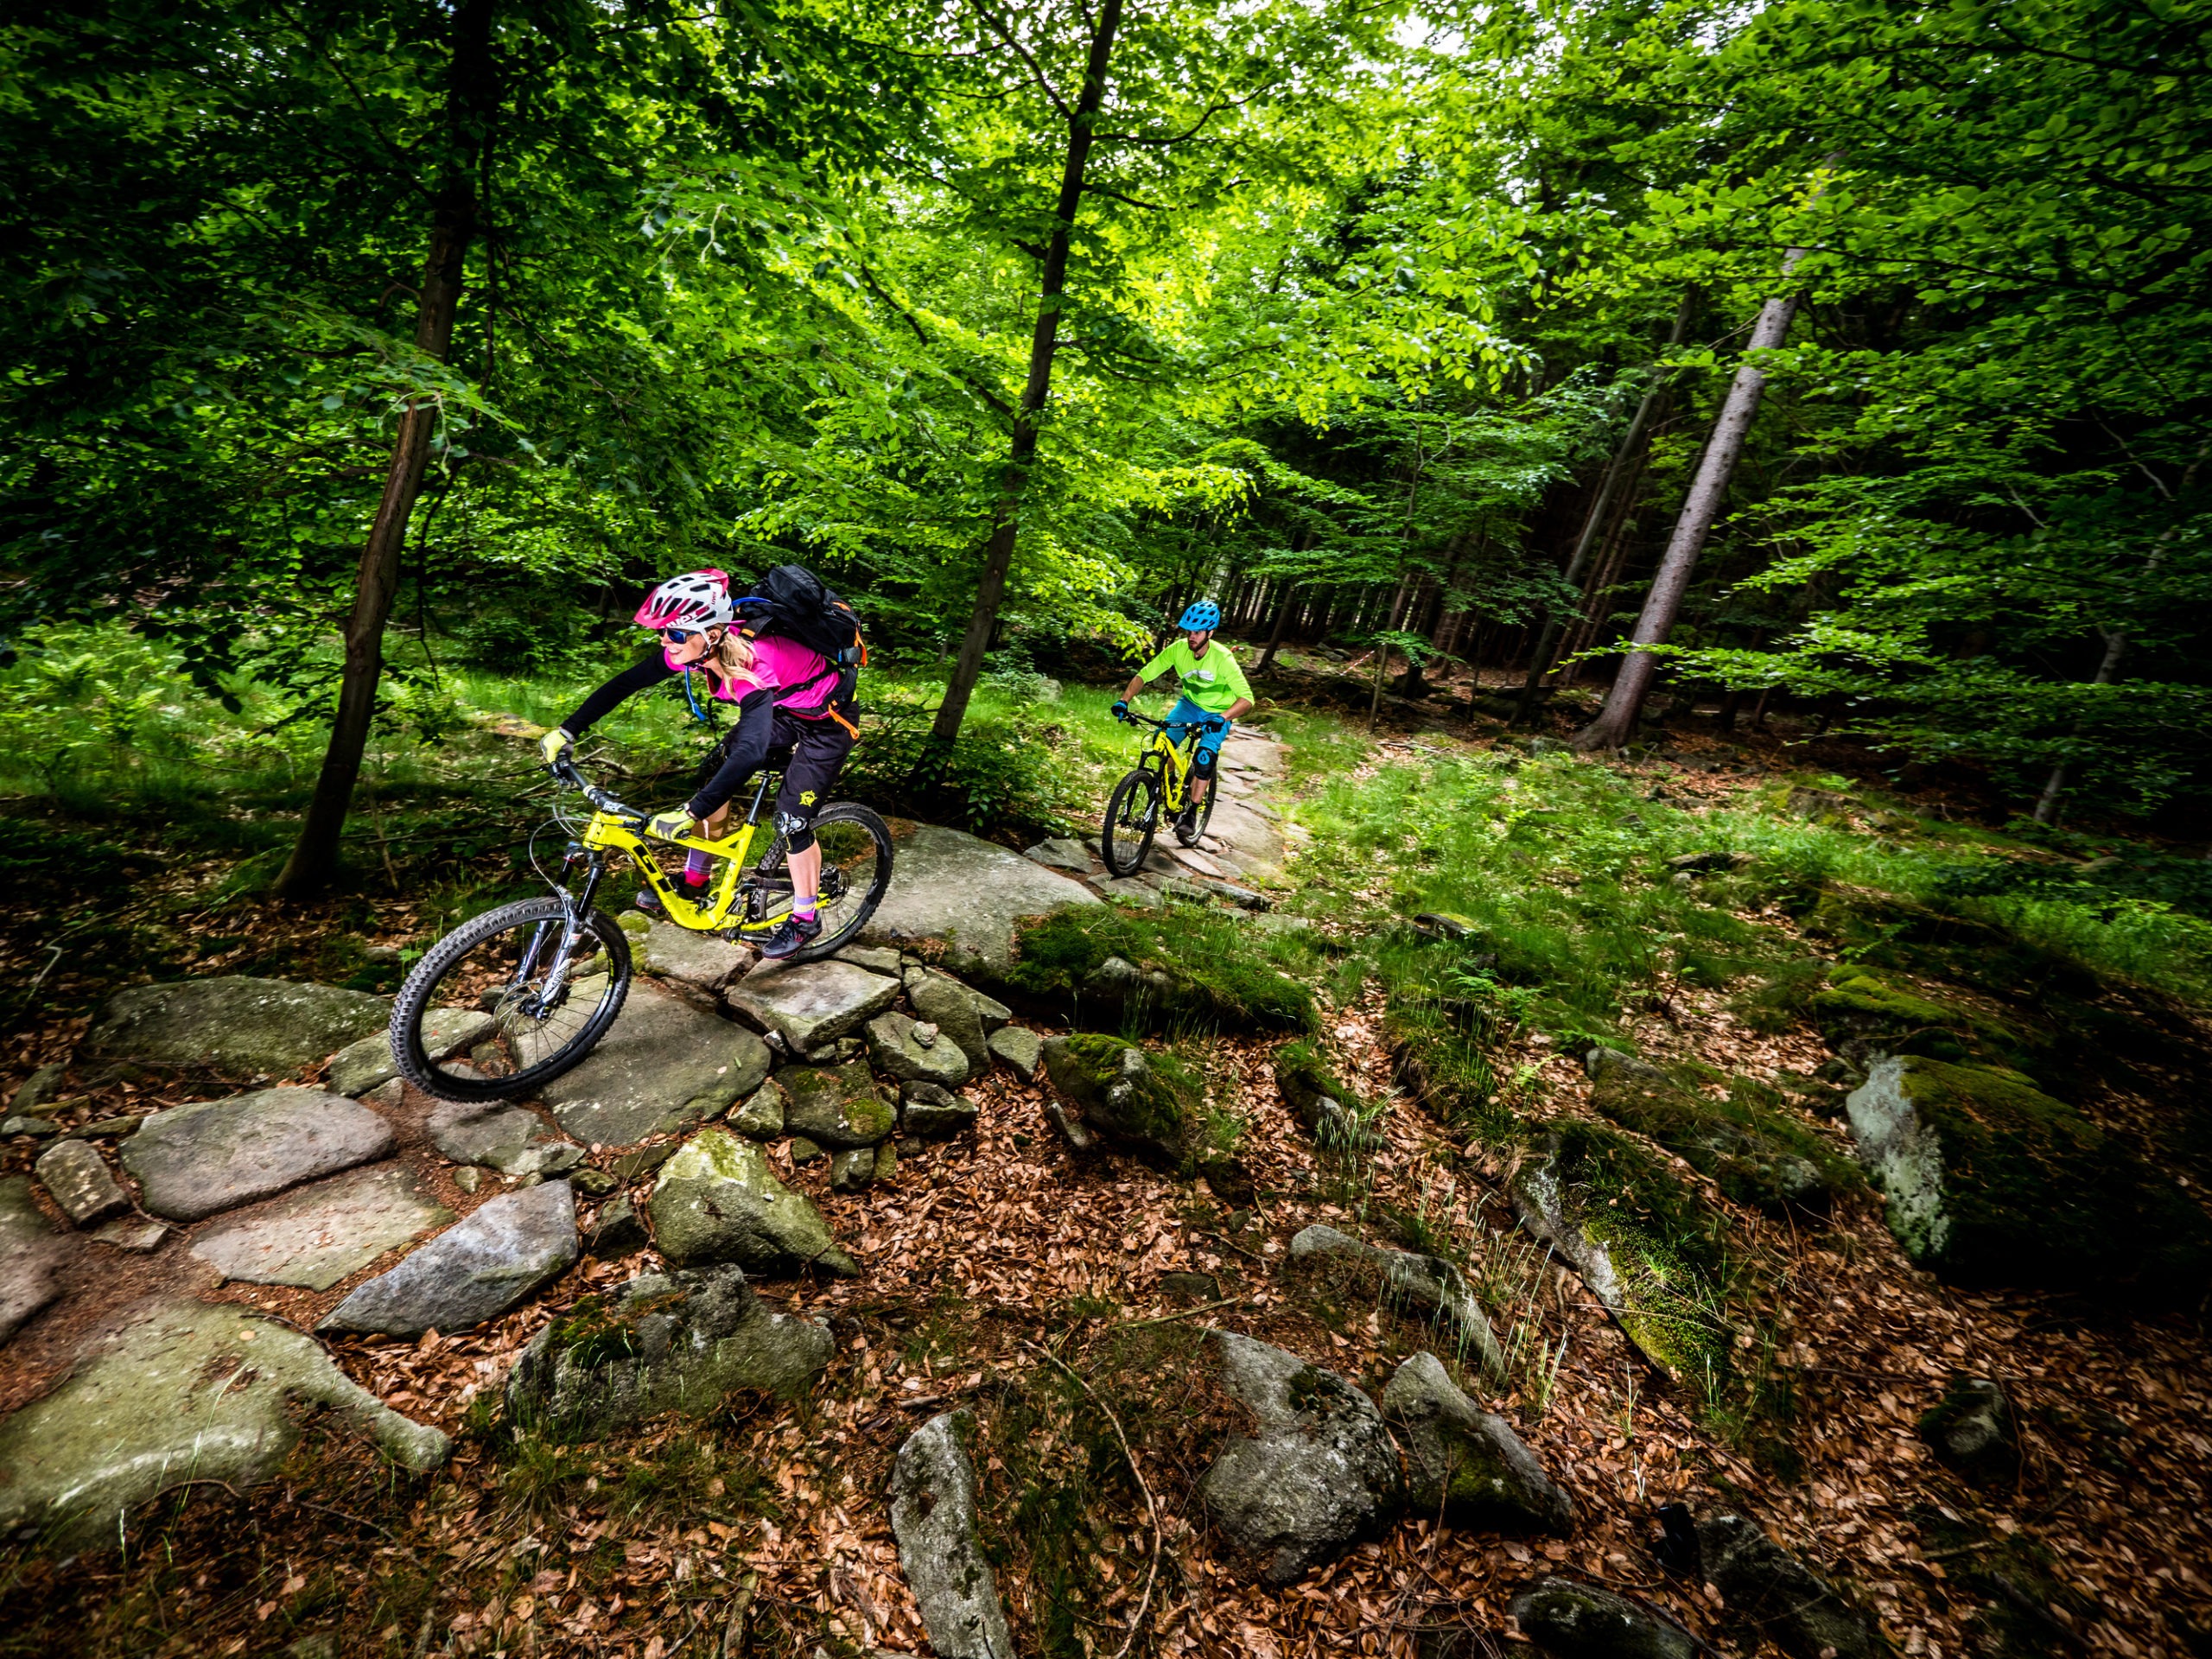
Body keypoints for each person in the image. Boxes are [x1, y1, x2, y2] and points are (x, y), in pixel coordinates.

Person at [537, 569, 858, 958]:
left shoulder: (753, 666)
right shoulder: (695, 649)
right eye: (662, 632)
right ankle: (695, 881)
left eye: (674, 633)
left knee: (792, 820)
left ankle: (806, 918)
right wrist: (568, 731)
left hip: (826, 724)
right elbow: (625, 684)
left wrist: (690, 812)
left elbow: (751, 752)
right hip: (784, 710)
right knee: (712, 771)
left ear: (711, 633)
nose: (664, 642)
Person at [1113, 600, 1255, 841]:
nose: (1192, 637)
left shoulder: (1222, 658)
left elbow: (1247, 699)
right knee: (1162, 741)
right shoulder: (1178, 650)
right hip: (1189, 706)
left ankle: (1191, 812)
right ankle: (1167, 782)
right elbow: (1145, 674)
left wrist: (1223, 717)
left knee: (1204, 758)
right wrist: (1124, 701)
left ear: (1210, 633)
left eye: (1198, 632)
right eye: (1189, 631)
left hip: (1218, 712)